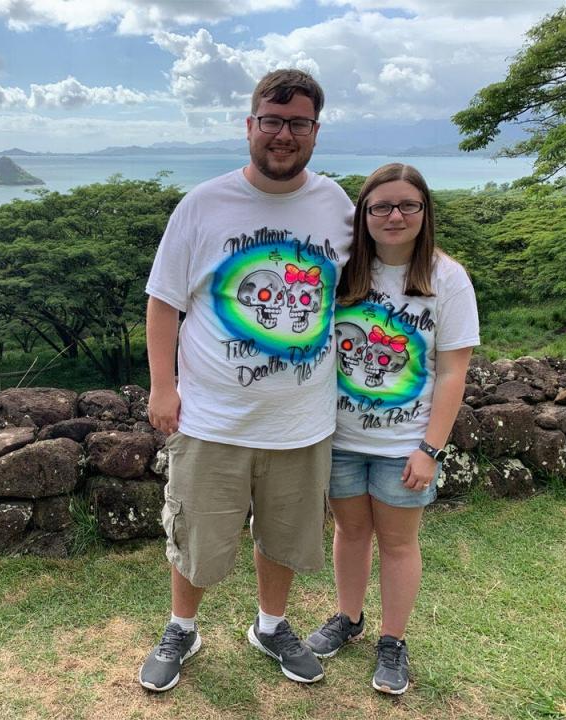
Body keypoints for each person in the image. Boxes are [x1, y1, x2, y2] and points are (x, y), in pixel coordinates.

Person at [138, 69, 354, 692]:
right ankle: (182, 628)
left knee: (285, 535)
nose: (283, 134)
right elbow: (163, 302)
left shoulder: (336, 204)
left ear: (315, 129)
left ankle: (271, 624)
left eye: (297, 123)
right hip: (212, 416)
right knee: (196, 533)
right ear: (250, 125)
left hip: (303, 418)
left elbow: (369, 284)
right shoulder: (203, 204)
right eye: (272, 120)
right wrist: (163, 387)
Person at [303, 163, 479, 694]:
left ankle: (393, 641)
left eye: (407, 205)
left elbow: (453, 372)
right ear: (364, 214)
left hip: (405, 443)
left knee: (399, 545)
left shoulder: (447, 278)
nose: (394, 215)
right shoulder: (344, 271)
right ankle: (349, 618)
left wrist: (430, 448)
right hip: (340, 437)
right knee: (349, 532)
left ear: (426, 212)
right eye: (380, 206)